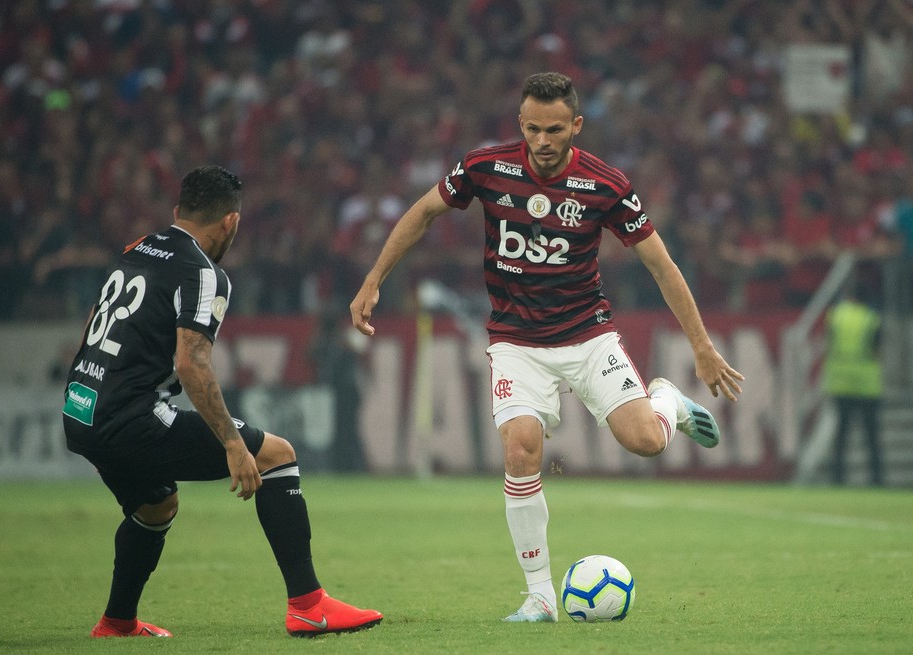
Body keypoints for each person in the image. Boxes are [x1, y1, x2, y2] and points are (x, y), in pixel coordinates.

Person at [349, 73, 744, 622]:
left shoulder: (606, 184)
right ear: (520, 124)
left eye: (554, 129)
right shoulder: (487, 167)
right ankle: (539, 596)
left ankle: (667, 403)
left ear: (576, 126)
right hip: (515, 340)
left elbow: (661, 265)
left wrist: (701, 346)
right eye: (532, 128)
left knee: (647, 444)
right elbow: (423, 214)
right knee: (521, 447)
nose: (542, 140)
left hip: (587, 333)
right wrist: (374, 279)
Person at [62, 165, 382, 638]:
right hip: (128, 416)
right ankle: (310, 606)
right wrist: (233, 444)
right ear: (231, 222)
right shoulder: (204, 273)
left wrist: (97, 414)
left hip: (80, 409)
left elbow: (94, 324)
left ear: (177, 213)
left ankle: (117, 622)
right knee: (276, 455)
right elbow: (192, 364)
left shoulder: (135, 250)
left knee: (157, 505)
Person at [823, 285, 884, 486]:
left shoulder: (836, 316)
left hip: (841, 382)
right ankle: (877, 479)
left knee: (842, 435)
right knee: (871, 436)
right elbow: (877, 349)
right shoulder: (871, 318)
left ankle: (838, 478)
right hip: (867, 385)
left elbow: (828, 342)